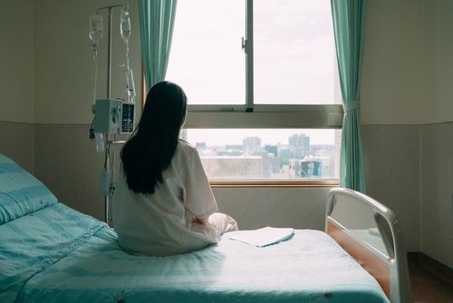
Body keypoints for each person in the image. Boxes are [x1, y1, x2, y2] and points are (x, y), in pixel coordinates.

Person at [113, 81, 238, 256]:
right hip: (169, 242)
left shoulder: (130, 150)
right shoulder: (184, 152)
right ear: (180, 115)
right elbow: (204, 214)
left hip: (129, 241)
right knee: (227, 221)